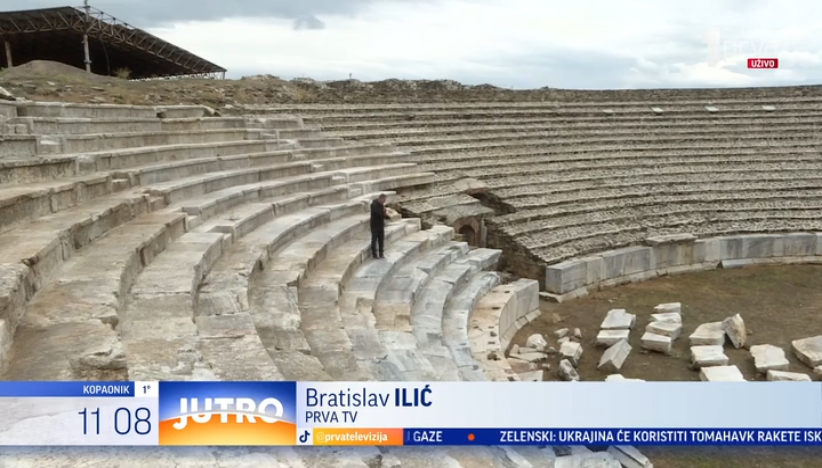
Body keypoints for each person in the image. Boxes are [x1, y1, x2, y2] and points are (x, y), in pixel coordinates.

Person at [370, 194, 390, 259]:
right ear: (381, 199)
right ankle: (374, 254)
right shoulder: (373, 205)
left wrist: (387, 216)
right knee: (374, 240)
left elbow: (383, 214)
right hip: (374, 225)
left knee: (381, 240)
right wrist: (384, 212)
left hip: (381, 225)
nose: (384, 201)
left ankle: (381, 253)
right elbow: (377, 213)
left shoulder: (382, 205)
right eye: (384, 200)